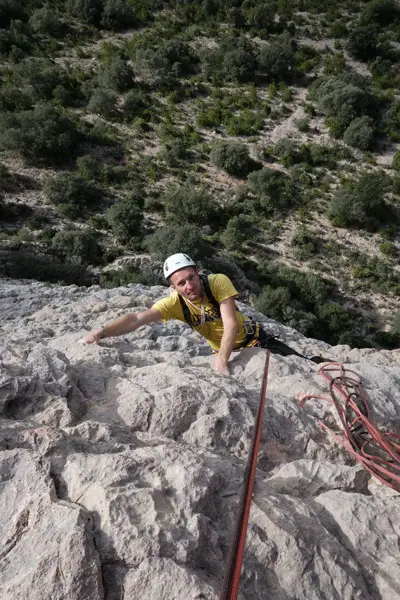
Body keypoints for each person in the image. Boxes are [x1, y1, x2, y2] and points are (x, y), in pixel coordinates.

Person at [82, 253, 327, 375]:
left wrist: (221, 361)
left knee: (306, 367)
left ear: (198, 272)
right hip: (226, 351)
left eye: (191, 277)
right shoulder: (174, 304)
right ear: (173, 287)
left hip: (255, 340)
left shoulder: (217, 282)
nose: (190, 286)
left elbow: (230, 324)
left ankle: (325, 363)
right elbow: (137, 319)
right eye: (181, 283)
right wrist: (100, 332)